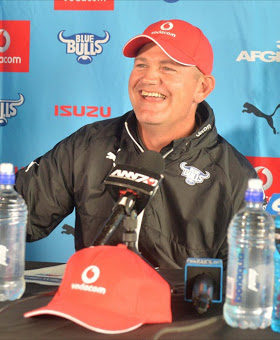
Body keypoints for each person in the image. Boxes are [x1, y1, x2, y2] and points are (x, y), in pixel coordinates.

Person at [15, 19, 257, 269]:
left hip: (178, 308)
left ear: (202, 87)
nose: (149, 78)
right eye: (141, 65)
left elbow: (242, 284)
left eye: (168, 68)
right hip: (96, 298)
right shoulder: (89, 144)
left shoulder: (234, 176)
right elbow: (13, 217)